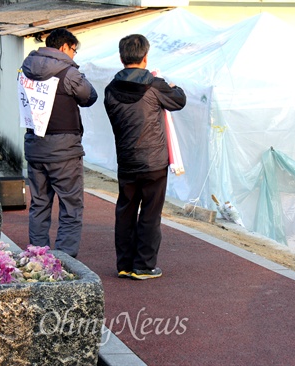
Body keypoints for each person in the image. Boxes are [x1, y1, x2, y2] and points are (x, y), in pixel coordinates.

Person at [103, 34, 186, 280]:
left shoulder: (110, 89)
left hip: (127, 160)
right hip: (154, 162)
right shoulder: (155, 85)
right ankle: (144, 266)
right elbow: (179, 100)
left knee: (125, 211)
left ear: (121, 57)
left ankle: (124, 265)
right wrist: (170, 85)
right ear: (146, 57)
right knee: (150, 214)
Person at [21, 28, 97, 257]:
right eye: (74, 50)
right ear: (64, 47)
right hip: (64, 150)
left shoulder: (25, 69)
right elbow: (89, 97)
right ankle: (64, 259)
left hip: (35, 147)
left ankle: (38, 256)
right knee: (71, 207)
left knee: (39, 205)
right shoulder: (69, 73)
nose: (74, 55)